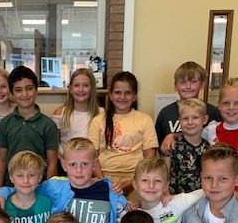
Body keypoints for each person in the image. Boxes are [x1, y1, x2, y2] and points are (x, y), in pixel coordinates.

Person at [0, 137, 127, 223]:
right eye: (73, 164)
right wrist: (2, 193)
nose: (79, 170)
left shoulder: (109, 190)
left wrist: (131, 205)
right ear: (64, 165)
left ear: (94, 164)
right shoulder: (55, 187)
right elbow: (26, 188)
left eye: (85, 164)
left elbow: (126, 213)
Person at [88, 71, 158, 200]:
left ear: (135, 96)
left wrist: (134, 181)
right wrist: (105, 183)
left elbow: (150, 156)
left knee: (135, 212)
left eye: (128, 93)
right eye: (118, 92)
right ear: (110, 95)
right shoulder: (98, 121)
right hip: (104, 178)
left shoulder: (145, 120)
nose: (122, 97)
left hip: (137, 180)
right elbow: (93, 157)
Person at [0, 66, 59, 189]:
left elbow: (52, 162)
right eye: (18, 90)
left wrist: (49, 191)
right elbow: (2, 160)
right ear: (12, 93)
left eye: (29, 88)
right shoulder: (5, 123)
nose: (24, 94)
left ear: (36, 90)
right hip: (12, 187)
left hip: (39, 188)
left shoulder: (48, 125)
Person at [154, 61, 221, 145]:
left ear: (202, 84)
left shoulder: (213, 112)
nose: (188, 87)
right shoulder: (166, 113)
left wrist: (174, 135)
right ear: (175, 85)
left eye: (193, 82)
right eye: (183, 82)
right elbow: (158, 144)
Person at [4, 150, 52, 223]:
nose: (26, 180)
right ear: (11, 177)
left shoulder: (48, 203)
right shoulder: (3, 207)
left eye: (31, 175)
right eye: (20, 175)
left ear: (40, 177)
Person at [164, 98, 211, 194]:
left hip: (203, 197)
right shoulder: (172, 144)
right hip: (176, 198)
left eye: (195, 117)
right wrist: (166, 194)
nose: (190, 122)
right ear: (179, 121)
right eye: (185, 118)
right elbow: (164, 173)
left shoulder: (210, 147)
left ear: (205, 119)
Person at [51, 68, 101, 146]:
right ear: (71, 89)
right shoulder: (60, 113)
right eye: (76, 85)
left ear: (92, 88)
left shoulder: (101, 113)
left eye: (86, 85)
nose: (81, 89)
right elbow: (53, 145)